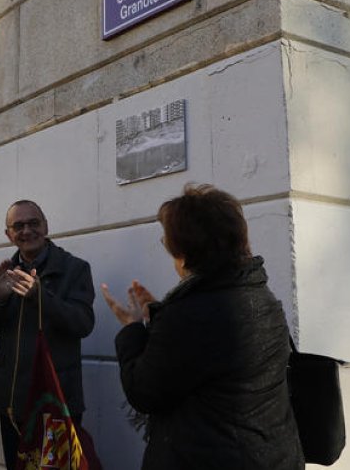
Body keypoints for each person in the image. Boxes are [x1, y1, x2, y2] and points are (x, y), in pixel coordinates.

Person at [101, 183, 303, 469]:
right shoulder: (258, 293)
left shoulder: (190, 315)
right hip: (273, 454)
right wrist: (159, 317)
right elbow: (207, 358)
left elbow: (144, 391)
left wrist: (133, 328)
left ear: (186, 250)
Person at [0, 200, 95, 470]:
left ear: (46, 226)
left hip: (55, 403)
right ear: (8, 235)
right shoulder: (6, 272)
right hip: (13, 407)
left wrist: (41, 296)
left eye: (33, 223)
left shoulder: (74, 268)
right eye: (18, 226)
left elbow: (83, 323)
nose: (26, 231)